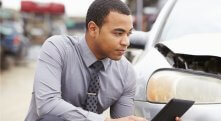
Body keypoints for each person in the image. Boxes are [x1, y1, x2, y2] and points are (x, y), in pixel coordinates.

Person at [25, 0, 182, 121]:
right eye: (118, 33)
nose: (126, 42)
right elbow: (47, 105)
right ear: (93, 29)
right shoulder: (57, 48)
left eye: (128, 34)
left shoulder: (126, 72)